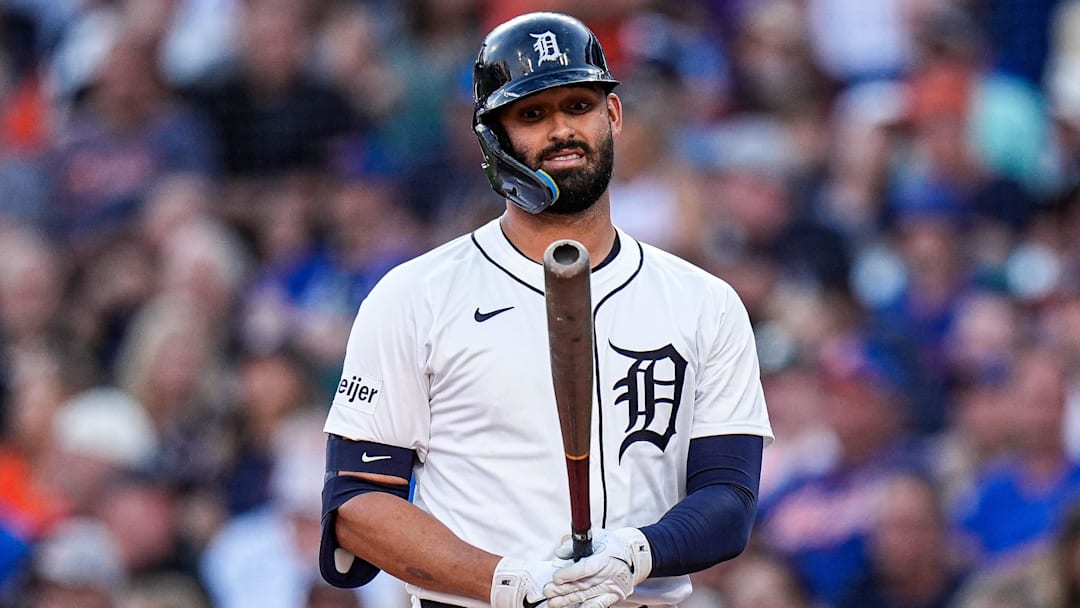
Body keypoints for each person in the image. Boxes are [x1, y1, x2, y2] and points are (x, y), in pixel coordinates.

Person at [317, 12, 773, 608]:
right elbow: (355, 506)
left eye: (579, 106)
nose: (562, 130)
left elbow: (730, 497)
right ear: (493, 140)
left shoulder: (704, 303)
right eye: (531, 114)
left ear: (612, 116)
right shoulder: (416, 296)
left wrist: (639, 550)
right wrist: (510, 582)